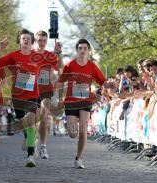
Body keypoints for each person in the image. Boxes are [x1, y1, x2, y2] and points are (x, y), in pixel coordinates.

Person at [0, 28, 42, 167]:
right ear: (19, 41)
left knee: (30, 122)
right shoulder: (13, 56)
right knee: (24, 123)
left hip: (33, 95)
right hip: (17, 95)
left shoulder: (38, 56)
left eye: (28, 38)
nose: (26, 40)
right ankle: (31, 140)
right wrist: (0, 49)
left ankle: (30, 155)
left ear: (32, 41)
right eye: (23, 38)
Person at [58, 38, 106, 169]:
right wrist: (60, 99)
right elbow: (62, 81)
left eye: (85, 48)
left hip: (85, 101)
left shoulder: (92, 66)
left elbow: (103, 81)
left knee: (83, 130)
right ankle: (74, 135)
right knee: (73, 134)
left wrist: (108, 87)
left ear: (89, 51)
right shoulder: (70, 65)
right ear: (77, 51)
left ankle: (79, 159)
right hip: (71, 102)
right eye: (80, 48)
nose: (83, 50)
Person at [34, 30, 63, 159]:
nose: (42, 43)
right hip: (32, 90)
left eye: (44, 40)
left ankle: (43, 146)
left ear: (46, 41)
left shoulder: (50, 55)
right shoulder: (30, 54)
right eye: (40, 40)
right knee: (33, 120)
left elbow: (60, 66)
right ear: (36, 40)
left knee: (44, 117)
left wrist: (59, 53)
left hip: (46, 89)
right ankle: (33, 140)